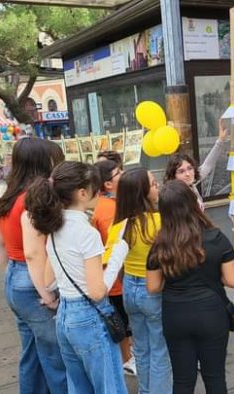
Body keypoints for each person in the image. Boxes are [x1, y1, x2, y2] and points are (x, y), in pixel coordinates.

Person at [25, 161, 128, 394]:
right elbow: (97, 291)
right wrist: (118, 253)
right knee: (109, 386)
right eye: (95, 188)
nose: (98, 192)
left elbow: (49, 281)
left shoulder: (53, 228)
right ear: (82, 193)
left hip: (65, 318)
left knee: (79, 387)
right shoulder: (86, 233)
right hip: (90, 317)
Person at [145, 180, 234, 394]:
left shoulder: (160, 245)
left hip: (175, 315)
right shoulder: (216, 237)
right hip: (212, 313)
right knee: (215, 377)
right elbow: (233, 280)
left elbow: (153, 286)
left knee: (182, 380)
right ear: (193, 204)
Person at [0, 138, 67, 393]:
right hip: (34, 280)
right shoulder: (34, 200)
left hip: (16, 278)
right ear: (43, 163)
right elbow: (34, 253)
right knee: (55, 356)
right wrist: (47, 294)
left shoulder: (9, 197)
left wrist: (11, 276)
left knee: (32, 354)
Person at [115, 168, 172, 393]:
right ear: (142, 191)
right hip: (154, 289)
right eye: (152, 183)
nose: (157, 185)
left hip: (130, 287)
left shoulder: (121, 223)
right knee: (160, 350)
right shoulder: (159, 221)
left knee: (142, 349)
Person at [93, 159, 136, 376]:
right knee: (122, 323)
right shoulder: (110, 209)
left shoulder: (107, 203)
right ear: (108, 184)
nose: (124, 173)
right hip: (116, 281)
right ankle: (128, 360)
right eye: (118, 172)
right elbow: (116, 245)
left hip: (113, 278)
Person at [163, 118, 228, 210]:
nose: (187, 174)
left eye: (190, 168)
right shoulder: (176, 197)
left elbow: (207, 165)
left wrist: (220, 140)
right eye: (181, 171)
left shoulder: (190, 185)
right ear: (173, 176)